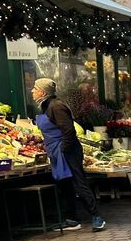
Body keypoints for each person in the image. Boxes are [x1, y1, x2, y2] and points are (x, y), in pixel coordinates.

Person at [31, 78, 105, 232]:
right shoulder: (45, 107)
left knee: (79, 183)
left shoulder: (56, 106)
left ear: (43, 92)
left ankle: (97, 217)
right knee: (65, 186)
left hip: (68, 151)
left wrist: (63, 150)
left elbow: (69, 131)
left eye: (35, 88)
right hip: (56, 151)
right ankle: (71, 219)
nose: (32, 91)